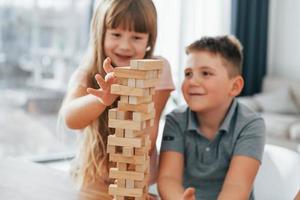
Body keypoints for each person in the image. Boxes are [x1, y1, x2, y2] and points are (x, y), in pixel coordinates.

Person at [59, 0, 175, 195]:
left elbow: (146, 135)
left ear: (149, 40)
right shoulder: (88, 72)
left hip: (138, 183)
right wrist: (102, 100)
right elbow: (70, 118)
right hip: (94, 179)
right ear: (100, 34)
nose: (125, 45)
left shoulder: (158, 69)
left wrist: (128, 90)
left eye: (137, 37)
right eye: (116, 34)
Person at [157, 35, 265, 200]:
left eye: (206, 73)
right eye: (188, 74)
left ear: (234, 86)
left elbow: (237, 187)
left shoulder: (250, 124)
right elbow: (168, 178)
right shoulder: (175, 120)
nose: (192, 81)